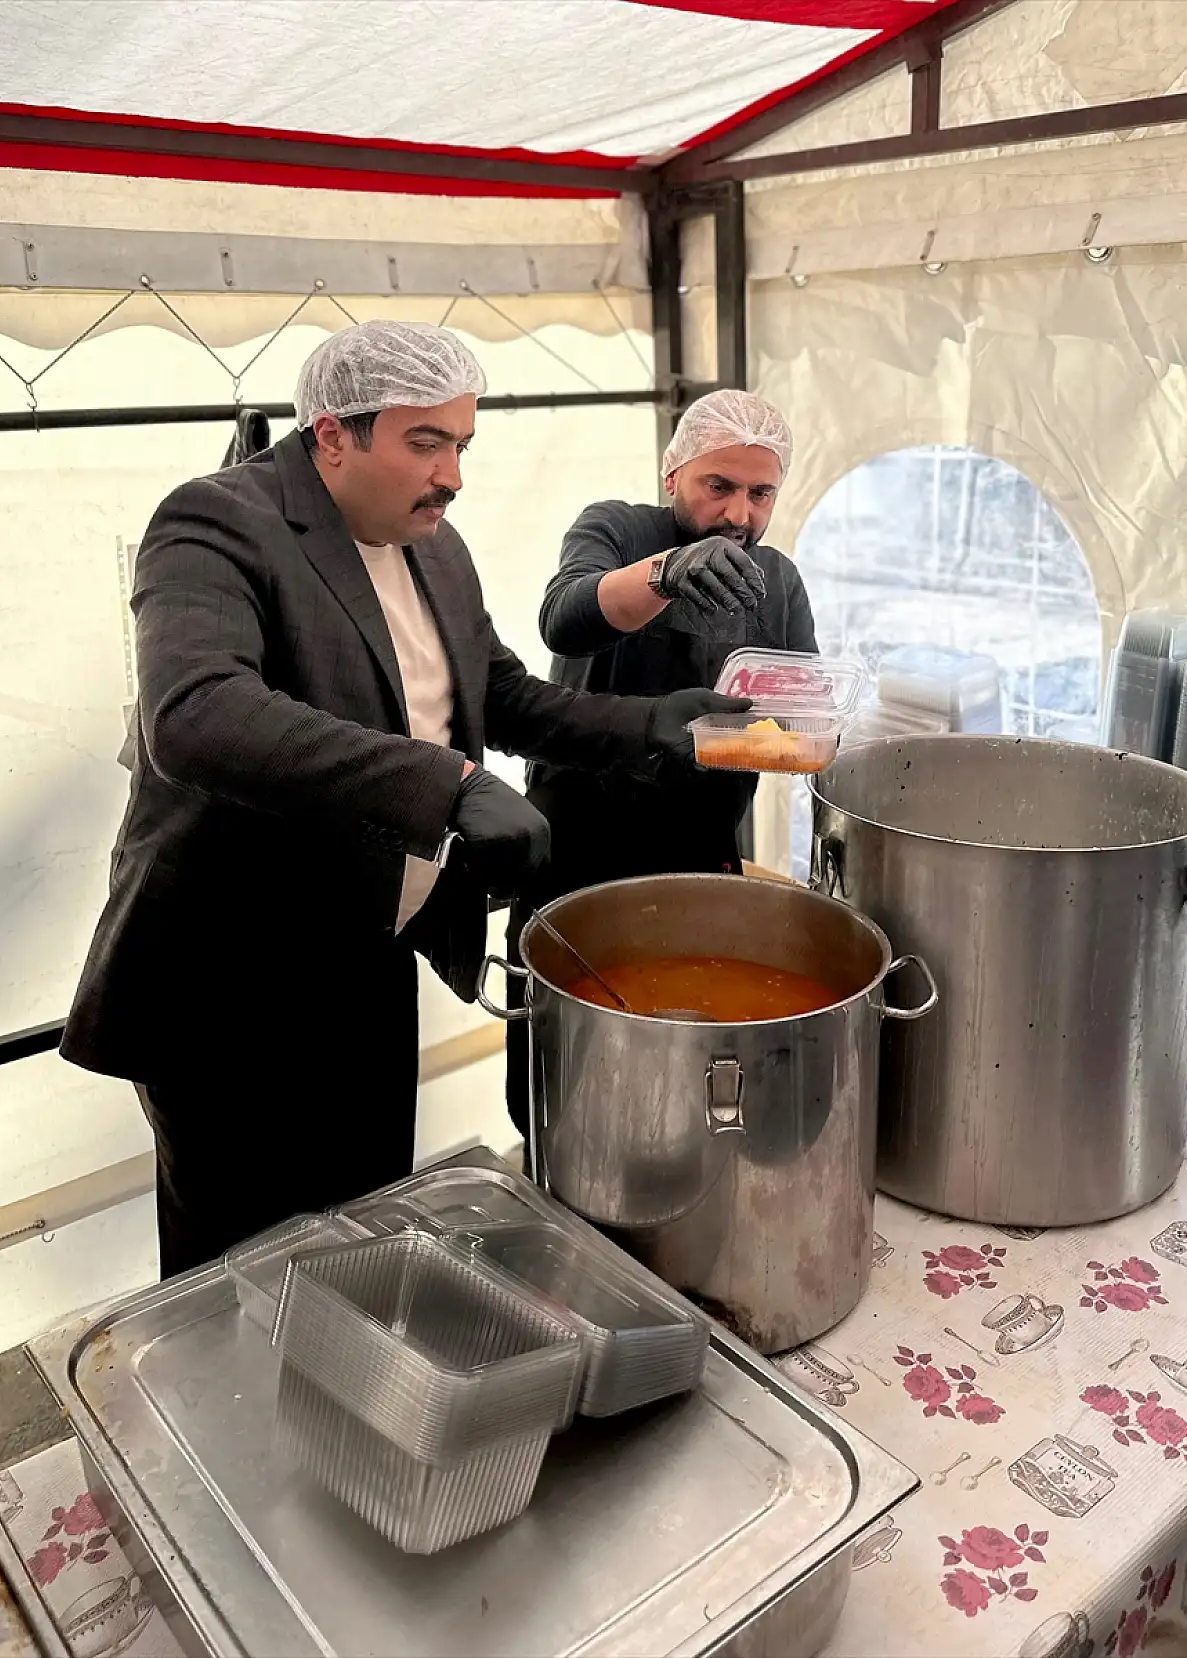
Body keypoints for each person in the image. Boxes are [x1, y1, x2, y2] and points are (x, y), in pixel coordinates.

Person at [60, 322, 746, 1277]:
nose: (453, 474)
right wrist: (450, 787)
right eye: (426, 442)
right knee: (244, 1268)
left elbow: (498, 693)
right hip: (231, 983)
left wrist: (647, 725)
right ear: (332, 434)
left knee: (363, 1224)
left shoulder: (434, 546)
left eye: (461, 443)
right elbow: (199, 716)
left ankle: (342, 1410)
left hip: (367, 955)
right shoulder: (216, 526)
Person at [506, 389, 817, 1144]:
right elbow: (567, 617)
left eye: (760, 492)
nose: (740, 513)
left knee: (683, 1061)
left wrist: (796, 734)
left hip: (700, 853)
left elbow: (800, 712)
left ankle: (668, 1175)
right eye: (720, 486)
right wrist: (666, 572)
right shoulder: (616, 528)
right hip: (577, 845)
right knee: (561, 1072)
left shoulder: (775, 580)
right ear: (672, 473)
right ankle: (551, 1165)